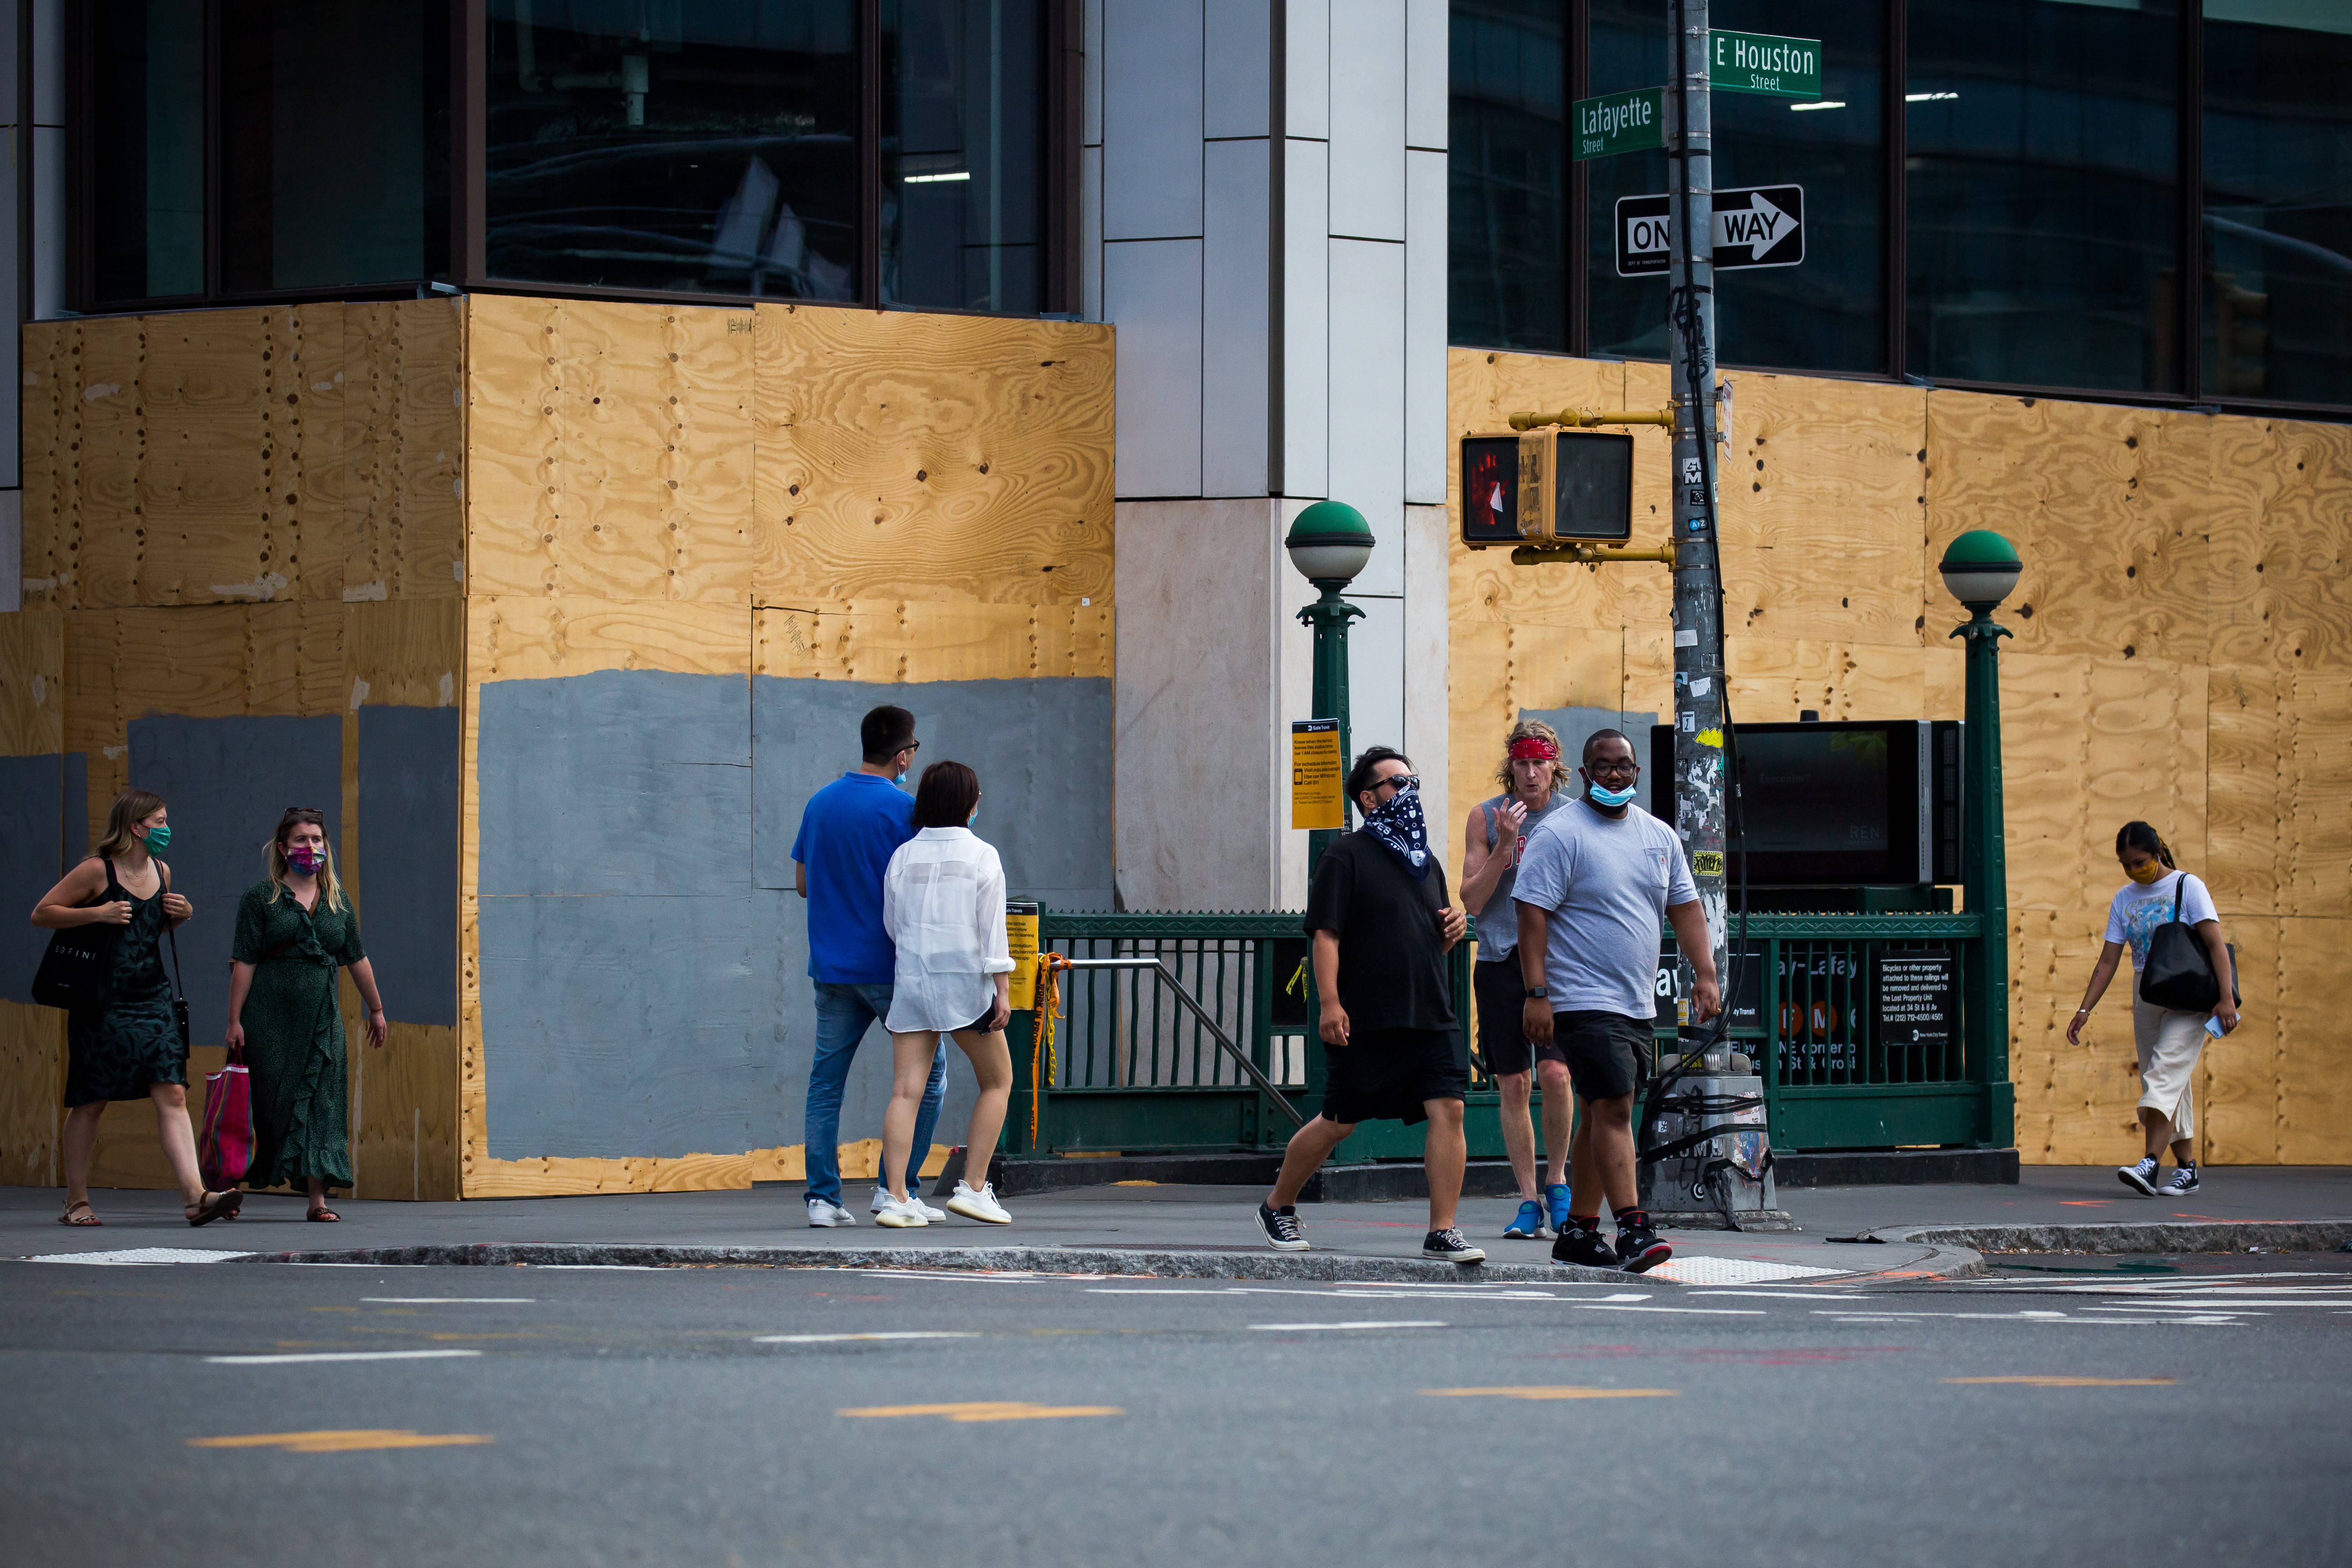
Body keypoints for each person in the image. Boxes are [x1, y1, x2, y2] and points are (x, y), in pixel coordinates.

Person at [1256, 747, 1484, 1264]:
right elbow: (1325, 936)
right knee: (1339, 1119)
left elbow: (1427, 937)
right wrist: (1330, 1003)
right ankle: (1277, 1204)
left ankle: (1442, 1230)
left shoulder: (1424, 862)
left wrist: (1450, 930)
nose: (1409, 791)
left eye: (1413, 780)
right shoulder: (1345, 856)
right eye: (1397, 783)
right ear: (1368, 797)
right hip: (1367, 1014)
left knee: (1449, 1108)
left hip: (1429, 1011)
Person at [1514, 729, 1719, 1274]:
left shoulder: (1658, 837)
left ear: (1635, 773)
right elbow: (1530, 916)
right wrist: (1536, 993)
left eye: (1622, 767)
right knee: (1613, 1109)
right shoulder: (1559, 834)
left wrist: (1704, 974)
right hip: (1578, 997)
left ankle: (1579, 1231)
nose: (1612, 775)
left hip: (1635, 1002)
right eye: (1601, 766)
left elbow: (1687, 909)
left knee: (1596, 1111)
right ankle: (1633, 1227)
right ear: (1583, 774)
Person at [31, 789, 241, 1227]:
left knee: (173, 1091)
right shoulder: (96, 871)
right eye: (159, 821)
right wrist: (98, 913)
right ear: (135, 826)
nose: (166, 829)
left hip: (153, 997)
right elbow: (43, 913)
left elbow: (148, 931)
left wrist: (180, 915)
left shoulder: (162, 870)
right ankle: (76, 1198)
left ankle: (194, 1195)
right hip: (102, 1000)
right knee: (92, 1098)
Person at [791, 704, 948, 1227]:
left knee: (825, 1083)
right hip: (890, 971)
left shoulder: (819, 803)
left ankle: (822, 1199)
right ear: (903, 755)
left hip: (831, 971)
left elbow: (803, 883)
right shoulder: (904, 812)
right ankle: (893, 1189)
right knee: (928, 1079)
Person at [872, 761, 1017, 1227]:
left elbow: (892, 926)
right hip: (965, 985)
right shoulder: (982, 855)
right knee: (997, 1081)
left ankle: (895, 1197)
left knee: (905, 1090)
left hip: (914, 981)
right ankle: (973, 1187)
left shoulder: (902, 856)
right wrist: (1003, 989)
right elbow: (992, 931)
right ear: (968, 803)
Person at [224, 808, 388, 1221]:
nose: (310, 847)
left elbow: (356, 957)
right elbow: (243, 961)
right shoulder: (261, 897)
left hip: (320, 1017)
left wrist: (377, 1008)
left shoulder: (337, 899)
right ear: (283, 847)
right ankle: (227, 1188)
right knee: (266, 1104)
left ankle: (318, 1200)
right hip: (268, 1017)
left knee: (322, 1103)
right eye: (300, 840)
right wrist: (234, 1020)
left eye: (317, 839)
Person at [2066, 821, 2238, 1197]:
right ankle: (2188, 1169)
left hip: (2190, 996)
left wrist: (2225, 999)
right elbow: (2108, 961)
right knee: (2166, 1080)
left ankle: (2149, 1164)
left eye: (2139, 862)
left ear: (2157, 851)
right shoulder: (2123, 898)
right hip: (2146, 993)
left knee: (2163, 1074)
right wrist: (2084, 1010)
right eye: (2125, 864)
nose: (2133, 870)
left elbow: (2216, 946)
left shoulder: (2187, 886)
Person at [1459, 718, 1574, 1241]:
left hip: (1559, 960)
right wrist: (1504, 847)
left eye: (1539, 761)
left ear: (1555, 763)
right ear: (1509, 765)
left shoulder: (1575, 819)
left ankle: (1558, 1183)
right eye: (1521, 762)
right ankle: (1527, 1197)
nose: (1530, 773)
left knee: (1556, 1075)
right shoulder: (1486, 817)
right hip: (1501, 956)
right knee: (1513, 1081)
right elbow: (1471, 901)